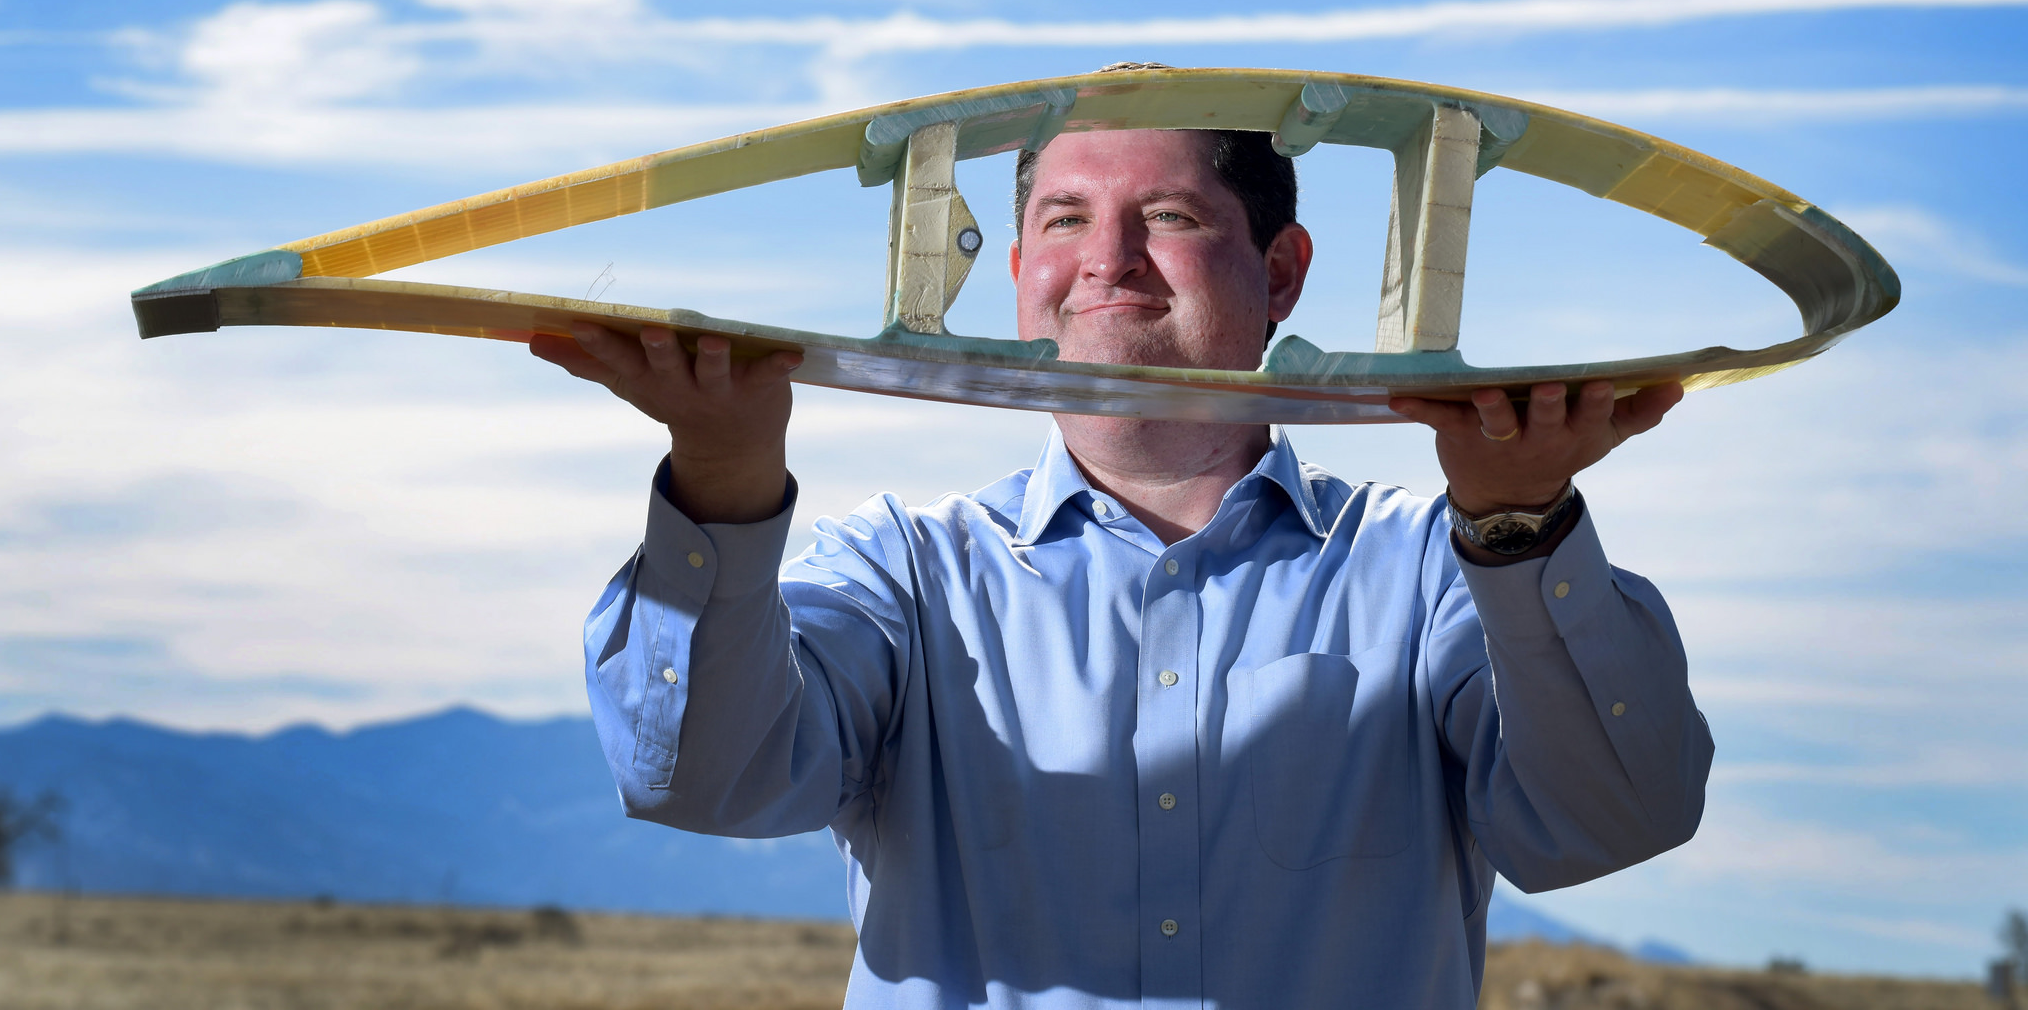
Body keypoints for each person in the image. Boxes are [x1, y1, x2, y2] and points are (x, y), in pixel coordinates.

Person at [534, 122, 1713, 1010]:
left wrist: (1517, 522)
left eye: (1169, 216)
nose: (1107, 259)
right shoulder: (904, 569)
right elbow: (701, 780)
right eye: (1060, 217)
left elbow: (1604, 821)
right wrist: (722, 479)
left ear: (1283, 270)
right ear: (1013, 273)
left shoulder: (1428, 570)